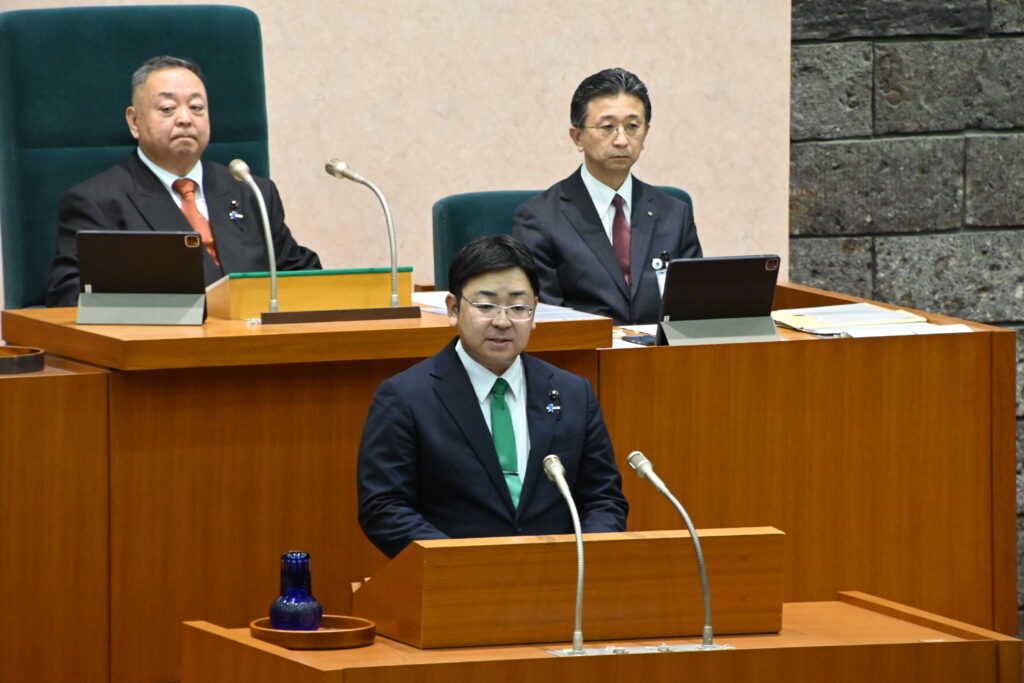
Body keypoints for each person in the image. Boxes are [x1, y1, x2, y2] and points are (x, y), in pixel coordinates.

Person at [358, 235, 628, 558]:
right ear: (454, 309)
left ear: (534, 312)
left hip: (560, 585)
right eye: (486, 306)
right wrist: (463, 564)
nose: (502, 322)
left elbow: (605, 499)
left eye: (518, 307)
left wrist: (586, 557)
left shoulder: (574, 393)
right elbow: (383, 507)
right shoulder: (405, 398)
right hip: (456, 587)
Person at [46, 55, 320, 307]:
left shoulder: (252, 192)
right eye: (167, 108)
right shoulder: (98, 202)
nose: (185, 119)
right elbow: (69, 298)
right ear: (134, 121)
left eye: (197, 107)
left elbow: (299, 276)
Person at [512, 67, 702, 326]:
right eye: (608, 127)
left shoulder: (674, 214)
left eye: (632, 126)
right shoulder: (540, 218)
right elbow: (545, 319)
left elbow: (692, 309)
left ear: (645, 134)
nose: (622, 140)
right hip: (584, 359)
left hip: (662, 358)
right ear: (577, 137)